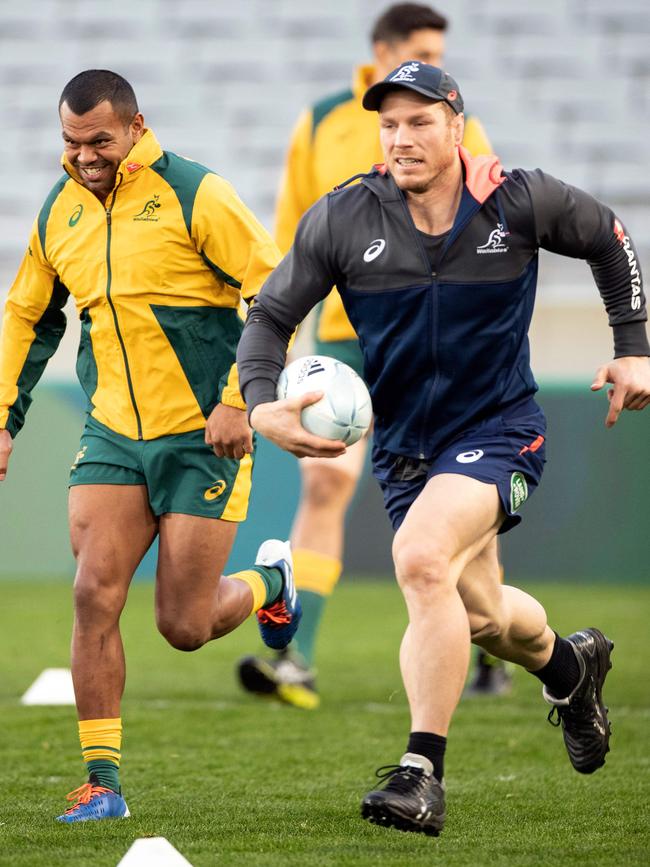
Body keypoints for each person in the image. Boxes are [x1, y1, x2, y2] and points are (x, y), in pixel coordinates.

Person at [235, 61, 650, 836]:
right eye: (389, 124)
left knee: (422, 559)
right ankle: (571, 665)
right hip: (405, 450)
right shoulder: (344, 217)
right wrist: (261, 406)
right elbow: (267, 318)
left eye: (420, 121)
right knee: (484, 614)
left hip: (501, 431)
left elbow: (609, 236)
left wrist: (633, 346)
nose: (402, 138)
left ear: (457, 127)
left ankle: (420, 772)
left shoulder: (516, 199)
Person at [0, 69, 302, 823]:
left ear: (137, 126)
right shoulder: (59, 210)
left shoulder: (196, 193)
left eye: (99, 140)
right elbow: (28, 317)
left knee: (184, 625)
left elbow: (276, 289)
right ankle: (103, 784)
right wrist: (3, 417)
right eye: (71, 142)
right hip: (111, 433)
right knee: (92, 591)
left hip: (205, 435)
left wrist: (242, 398)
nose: (84, 156)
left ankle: (271, 583)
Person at [237, 2, 508, 711]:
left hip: (438, 335)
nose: (437, 63)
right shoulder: (323, 119)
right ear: (383, 50)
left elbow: (493, 226)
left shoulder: (460, 120)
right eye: (422, 48)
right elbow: (291, 230)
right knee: (326, 485)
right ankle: (296, 655)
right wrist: (284, 335)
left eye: (440, 52)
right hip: (344, 335)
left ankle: (491, 645)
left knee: (459, 490)